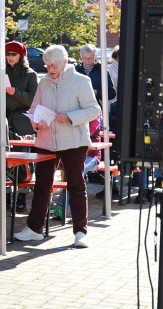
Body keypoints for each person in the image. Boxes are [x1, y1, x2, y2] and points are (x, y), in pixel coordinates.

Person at [13, 45, 101, 249]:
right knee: (42, 185)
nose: (49, 69)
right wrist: (36, 122)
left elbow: (94, 110)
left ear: (63, 62)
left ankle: (81, 232)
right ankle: (34, 229)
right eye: (47, 65)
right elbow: (34, 108)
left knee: (77, 185)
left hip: (74, 141)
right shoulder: (43, 83)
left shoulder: (81, 80)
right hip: (46, 140)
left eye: (53, 65)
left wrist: (69, 117)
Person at [2, 40, 38, 139]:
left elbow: (33, 100)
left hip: (23, 122)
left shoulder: (30, 74)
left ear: (21, 56)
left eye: (14, 54)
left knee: (23, 153)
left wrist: (16, 93)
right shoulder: (0, 72)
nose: (10, 57)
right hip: (4, 119)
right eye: (7, 54)